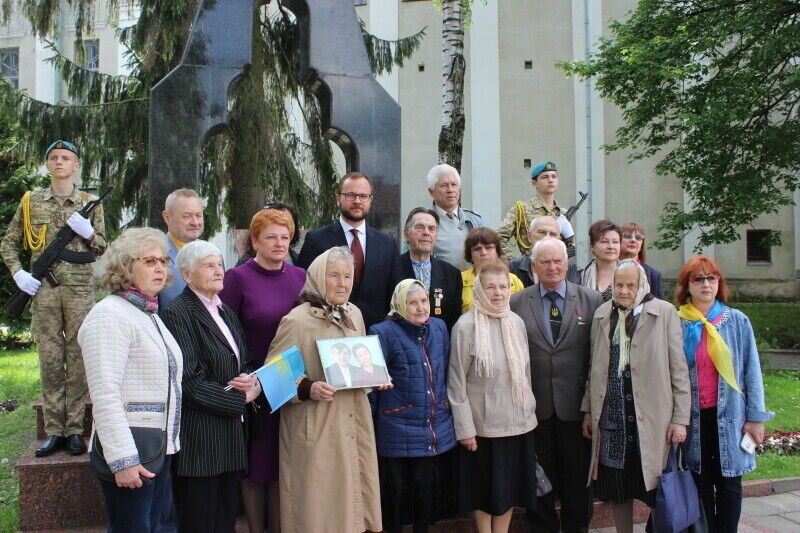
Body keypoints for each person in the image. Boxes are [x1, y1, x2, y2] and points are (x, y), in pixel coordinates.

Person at [266, 246, 385, 533]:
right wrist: (307, 388)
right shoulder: (297, 320)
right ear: (319, 277)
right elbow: (273, 374)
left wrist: (372, 376)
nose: (343, 283)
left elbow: (358, 360)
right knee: (318, 505)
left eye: (347, 275)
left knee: (353, 499)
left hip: (353, 418)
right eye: (334, 275)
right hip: (316, 425)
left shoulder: (353, 313)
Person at [1, 140, 107, 457]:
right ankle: (53, 431)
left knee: (77, 359)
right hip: (44, 292)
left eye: (66, 158)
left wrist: (88, 233)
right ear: (47, 164)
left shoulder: (90, 203)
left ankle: (74, 430)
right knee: (49, 360)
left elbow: (102, 246)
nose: (59, 162)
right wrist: (18, 273)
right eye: (54, 157)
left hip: (79, 291)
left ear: (76, 166)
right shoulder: (31, 202)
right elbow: (8, 244)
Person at [77, 227, 181, 532]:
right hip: (133, 451)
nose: (161, 267)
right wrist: (123, 460)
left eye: (163, 260)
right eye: (149, 261)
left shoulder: (147, 312)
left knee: (157, 527)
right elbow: (105, 394)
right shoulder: (109, 315)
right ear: (125, 265)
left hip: (156, 448)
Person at [159, 240, 263, 532]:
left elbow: (244, 359)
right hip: (200, 442)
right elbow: (189, 382)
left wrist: (252, 383)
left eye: (219, 264)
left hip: (230, 438)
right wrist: (239, 400)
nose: (218, 271)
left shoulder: (225, 311)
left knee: (224, 521)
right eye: (208, 265)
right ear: (187, 274)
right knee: (201, 522)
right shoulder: (177, 313)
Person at [581, 259, 690, 533]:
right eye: (619, 285)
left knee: (656, 485)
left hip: (653, 419)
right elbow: (593, 366)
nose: (625, 291)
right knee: (618, 486)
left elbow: (679, 369)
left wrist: (680, 419)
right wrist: (588, 410)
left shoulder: (663, 312)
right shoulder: (603, 313)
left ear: (642, 284)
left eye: (631, 285)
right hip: (613, 418)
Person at [219, 207, 305, 533]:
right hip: (254, 387)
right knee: (258, 466)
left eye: (285, 237)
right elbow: (226, 333)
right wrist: (246, 378)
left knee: (284, 465)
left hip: (291, 385)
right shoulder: (237, 278)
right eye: (271, 237)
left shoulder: (301, 277)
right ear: (255, 241)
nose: (280, 243)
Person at [510, 237, 604, 533]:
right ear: (534, 267)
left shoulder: (591, 300)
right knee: (539, 482)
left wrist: (591, 408)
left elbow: (597, 360)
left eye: (558, 261)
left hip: (576, 410)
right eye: (545, 262)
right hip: (534, 409)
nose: (552, 267)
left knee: (578, 482)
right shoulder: (517, 302)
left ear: (567, 264)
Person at [676, 256, 774, 532]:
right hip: (693, 419)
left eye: (712, 278)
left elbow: (751, 372)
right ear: (687, 285)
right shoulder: (678, 323)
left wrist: (755, 417)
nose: (706, 284)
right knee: (701, 484)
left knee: (730, 485)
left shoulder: (737, 322)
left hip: (731, 418)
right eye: (698, 278)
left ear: (720, 283)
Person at [448, 261, 538, 533]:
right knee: (484, 491)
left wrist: (529, 412)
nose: (498, 293)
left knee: (510, 490)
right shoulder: (465, 326)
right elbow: (456, 383)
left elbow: (526, 373)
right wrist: (465, 429)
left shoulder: (516, 322)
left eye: (503, 286)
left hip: (519, 423)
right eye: (491, 287)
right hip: (483, 429)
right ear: (479, 290)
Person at [368, 279, 457, 533]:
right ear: (399, 304)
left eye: (423, 301)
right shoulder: (382, 331)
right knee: (396, 495)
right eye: (412, 302)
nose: (420, 308)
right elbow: (374, 384)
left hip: (433, 424)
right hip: (396, 424)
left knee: (426, 493)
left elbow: (446, 369)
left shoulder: (439, 327)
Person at [297, 172, 402, 328]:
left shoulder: (387, 244)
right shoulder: (316, 239)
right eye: (351, 195)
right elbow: (306, 289)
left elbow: (394, 294)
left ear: (370, 200)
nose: (357, 201)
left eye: (363, 196)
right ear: (338, 198)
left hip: (375, 333)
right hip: (329, 328)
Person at [399, 207, 463, 330]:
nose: (426, 232)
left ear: (436, 235)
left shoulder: (452, 274)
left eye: (431, 228)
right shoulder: (391, 269)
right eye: (419, 227)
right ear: (407, 234)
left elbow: (454, 321)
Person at [496, 161, 575, 259]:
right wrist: (513, 263)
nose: (551, 180)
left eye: (554, 176)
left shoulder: (563, 213)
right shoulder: (521, 209)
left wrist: (569, 236)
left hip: (555, 267)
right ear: (534, 183)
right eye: (545, 177)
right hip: (528, 268)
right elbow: (499, 237)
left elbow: (569, 248)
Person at [426, 164, 483, 270]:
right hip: (441, 284)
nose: (450, 190)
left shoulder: (474, 220)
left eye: (454, 184)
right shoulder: (423, 223)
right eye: (444, 185)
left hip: (472, 284)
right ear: (431, 192)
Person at [159, 188, 204, 308]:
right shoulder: (156, 257)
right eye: (187, 216)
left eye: (199, 215)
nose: (195, 222)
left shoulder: (214, 254)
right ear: (167, 217)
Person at [460, 228, 524, 313]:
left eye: (488, 247)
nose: (483, 252)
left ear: (497, 251)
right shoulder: (459, 280)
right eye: (477, 249)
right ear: (470, 254)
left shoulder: (513, 280)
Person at [509, 215, 580, 287]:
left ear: (559, 240)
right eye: (542, 232)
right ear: (530, 236)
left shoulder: (570, 267)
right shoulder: (513, 267)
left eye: (553, 234)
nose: (547, 237)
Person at [236, 202, 301, 266]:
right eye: (271, 237)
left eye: (287, 222)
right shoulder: (242, 268)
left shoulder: (300, 261)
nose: (282, 227)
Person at [618, 222, 664, 299]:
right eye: (627, 236)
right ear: (617, 241)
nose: (633, 240)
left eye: (638, 237)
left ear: (642, 245)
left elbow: (659, 308)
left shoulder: (654, 275)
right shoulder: (609, 269)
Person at [580, 219, 621, 302]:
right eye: (604, 242)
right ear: (592, 246)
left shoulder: (632, 274)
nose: (611, 246)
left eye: (615, 242)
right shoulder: (579, 278)